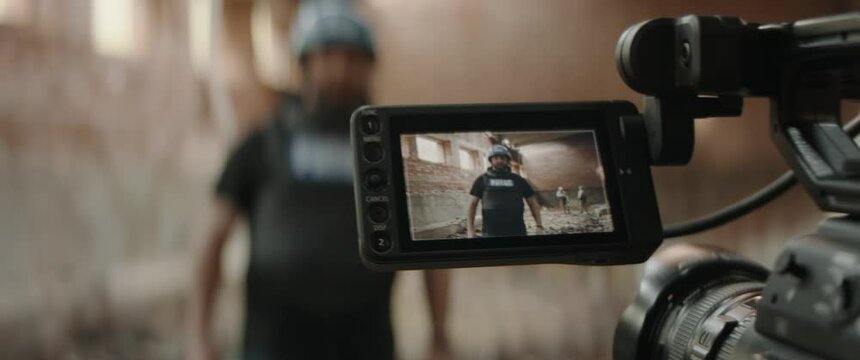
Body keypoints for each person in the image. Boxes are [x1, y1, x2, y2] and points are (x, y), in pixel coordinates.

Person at [186, 3, 450, 360]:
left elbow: (432, 246)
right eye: (327, 54)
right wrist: (200, 334)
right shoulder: (263, 144)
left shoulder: (391, 154)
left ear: (368, 66)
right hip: (275, 340)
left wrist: (438, 335)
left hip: (366, 339)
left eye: (352, 57)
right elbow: (213, 237)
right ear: (304, 63)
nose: (340, 70)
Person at [466, 144, 544, 237]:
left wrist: (539, 226)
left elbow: (532, 202)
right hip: (491, 233)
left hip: (517, 232)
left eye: (502, 158)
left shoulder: (518, 180)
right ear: (491, 160)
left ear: (507, 160)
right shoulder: (482, 180)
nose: (499, 160)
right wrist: (470, 230)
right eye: (496, 158)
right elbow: (472, 205)